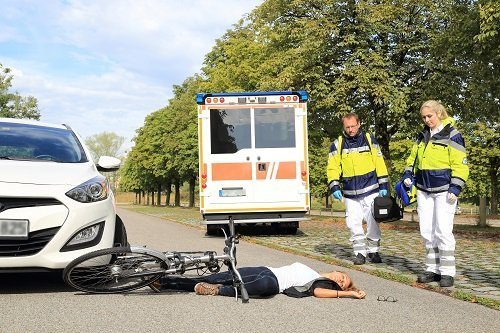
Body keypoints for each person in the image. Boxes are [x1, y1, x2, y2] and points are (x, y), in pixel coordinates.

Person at [401, 100, 469, 287]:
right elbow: (412, 158)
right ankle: (432, 269)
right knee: (427, 230)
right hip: (423, 189)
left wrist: (455, 187)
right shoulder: (422, 135)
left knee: (443, 231)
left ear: (439, 113)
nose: (426, 120)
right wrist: (408, 173)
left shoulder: (452, 135)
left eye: (429, 116)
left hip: (444, 191)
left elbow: (461, 165)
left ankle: (447, 272)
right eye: (423, 117)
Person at [327, 113, 389, 265]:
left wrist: (384, 184)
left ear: (359, 124)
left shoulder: (369, 139)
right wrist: (334, 185)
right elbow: (332, 168)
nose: (350, 130)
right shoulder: (338, 144)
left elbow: (379, 161)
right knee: (353, 223)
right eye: (347, 127)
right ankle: (359, 253)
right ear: (343, 127)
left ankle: (373, 251)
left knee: (372, 221)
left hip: (370, 188)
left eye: (353, 126)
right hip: (349, 192)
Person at [150, 262, 366, 299]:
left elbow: (320, 293)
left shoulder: (320, 282)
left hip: (274, 284)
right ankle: (165, 282)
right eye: (343, 276)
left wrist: (348, 293)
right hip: (265, 269)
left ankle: (217, 291)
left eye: (343, 282)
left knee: (260, 287)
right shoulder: (313, 269)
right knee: (216, 277)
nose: (341, 279)